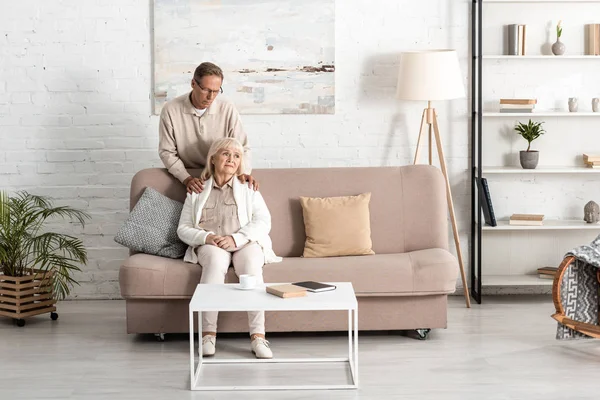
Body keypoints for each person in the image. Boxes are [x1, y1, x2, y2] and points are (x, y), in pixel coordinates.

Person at [176, 137, 281, 359]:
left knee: (252, 263)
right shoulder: (197, 189)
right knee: (214, 262)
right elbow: (183, 228)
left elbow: (263, 221)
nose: (231, 159)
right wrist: (207, 237)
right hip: (212, 245)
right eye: (225, 154)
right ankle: (208, 334)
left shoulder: (248, 187)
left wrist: (237, 238)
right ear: (213, 159)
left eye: (236, 156)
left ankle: (258, 336)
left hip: (244, 242)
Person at [158, 62, 258, 194]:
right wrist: (186, 178)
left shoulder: (227, 108)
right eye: (206, 90)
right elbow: (167, 152)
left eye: (216, 91)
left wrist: (243, 173)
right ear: (193, 83)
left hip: (221, 173)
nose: (211, 97)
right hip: (188, 174)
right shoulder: (171, 110)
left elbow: (243, 147)